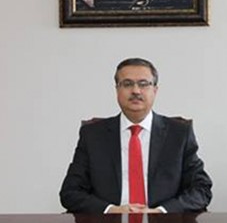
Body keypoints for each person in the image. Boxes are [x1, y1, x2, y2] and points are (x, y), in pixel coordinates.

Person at [59, 58, 212, 214]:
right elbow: (70, 192)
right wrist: (111, 210)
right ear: (117, 90)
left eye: (143, 84)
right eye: (127, 84)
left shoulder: (179, 134)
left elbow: (201, 189)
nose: (136, 91)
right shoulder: (93, 135)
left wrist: (159, 212)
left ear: (155, 90)